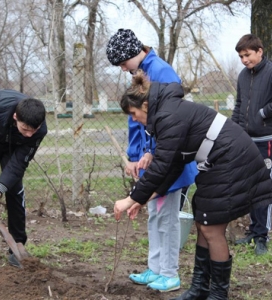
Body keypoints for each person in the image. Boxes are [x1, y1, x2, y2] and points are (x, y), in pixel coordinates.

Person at [113, 70, 272, 300]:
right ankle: (200, 289)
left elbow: (161, 165)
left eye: (134, 114)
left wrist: (130, 198)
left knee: (211, 228)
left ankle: (217, 295)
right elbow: (174, 164)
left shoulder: (168, 115)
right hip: (217, 160)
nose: (134, 119)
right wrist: (143, 198)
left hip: (231, 159)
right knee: (203, 221)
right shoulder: (166, 113)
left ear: (145, 105)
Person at [106, 29, 197, 292]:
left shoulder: (161, 71)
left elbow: (172, 123)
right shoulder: (141, 74)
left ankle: (169, 273)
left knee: (167, 217)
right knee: (155, 215)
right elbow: (137, 121)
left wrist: (154, 153)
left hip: (169, 161)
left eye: (123, 63)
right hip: (152, 158)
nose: (123, 69)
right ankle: (155, 268)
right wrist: (137, 155)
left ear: (134, 53)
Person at [0, 89, 47, 269]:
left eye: (33, 130)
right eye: (25, 129)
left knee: (14, 188)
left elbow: (18, 165)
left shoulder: (37, 132)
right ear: (15, 117)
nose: (29, 134)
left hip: (16, 147)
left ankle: (17, 247)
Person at [232, 34, 272, 255]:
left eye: (247, 55)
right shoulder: (242, 76)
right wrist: (234, 130)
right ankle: (253, 230)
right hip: (246, 140)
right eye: (241, 56)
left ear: (260, 51)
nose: (244, 60)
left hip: (266, 140)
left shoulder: (270, 72)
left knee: (263, 188)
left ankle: (262, 237)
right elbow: (239, 104)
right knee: (250, 188)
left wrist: (262, 113)